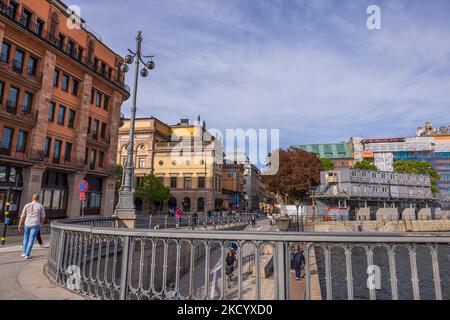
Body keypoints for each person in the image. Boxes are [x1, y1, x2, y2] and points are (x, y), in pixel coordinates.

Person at [18, 194, 45, 259]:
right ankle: (27, 254)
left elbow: (22, 216)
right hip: (35, 224)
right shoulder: (40, 206)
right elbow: (43, 216)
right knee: (31, 239)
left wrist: (20, 224)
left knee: (25, 238)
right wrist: (41, 223)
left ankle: (24, 252)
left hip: (27, 223)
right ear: (38, 198)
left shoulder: (27, 205)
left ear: (32, 198)